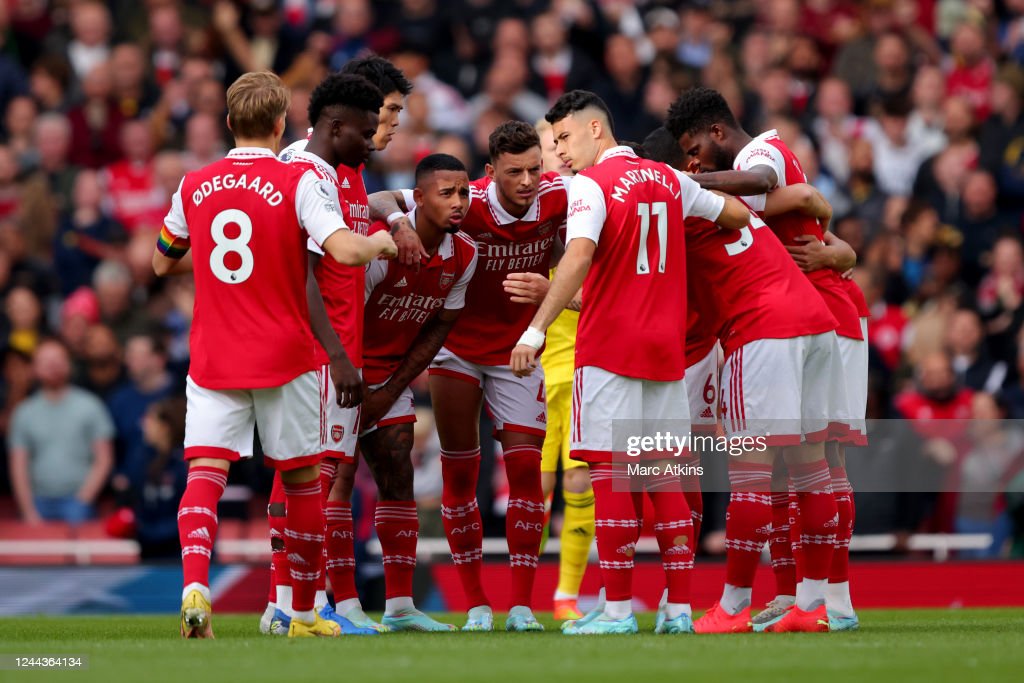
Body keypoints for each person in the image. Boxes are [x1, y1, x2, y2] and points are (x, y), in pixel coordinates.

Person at [152, 70, 396, 639]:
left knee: (206, 472)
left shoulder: (194, 184)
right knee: (304, 479)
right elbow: (343, 249)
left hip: (214, 354)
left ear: (230, 122)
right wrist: (381, 240)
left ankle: (194, 586)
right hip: (285, 355)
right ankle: (305, 613)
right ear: (282, 122)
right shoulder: (297, 180)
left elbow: (162, 261)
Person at [511, 90, 749, 635]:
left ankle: (616, 610)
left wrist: (534, 328)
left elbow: (577, 257)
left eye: (566, 137)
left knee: (612, 476)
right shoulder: (671, 180)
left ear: (597, 130)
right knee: (666, 479)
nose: (561, 151)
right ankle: (680, 610)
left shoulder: (590, 187)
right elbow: (734, 214)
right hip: (666, 354)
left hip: (611, 349)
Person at [667, 86, 864, 632]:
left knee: (752, 475)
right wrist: (833, 235)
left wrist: (677, 184)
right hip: (818, 317)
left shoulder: (745, 167)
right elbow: (800, 205)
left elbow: (767, 187)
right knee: (814, 471)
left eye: (694, 153)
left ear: (717, 135)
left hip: (765, 329)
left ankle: (732, 607)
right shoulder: (738, 200)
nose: (693, 165)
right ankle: (817, 603)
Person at [370, 120, 571, 632]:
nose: (527, 181)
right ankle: (477, 606)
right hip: (454, 349)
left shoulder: (559, 196)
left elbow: (579, 250)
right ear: (491, 172)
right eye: (514, 172)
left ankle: (523, 607)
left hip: (518, 353)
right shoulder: (467, 198)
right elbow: (379, 199)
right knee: (461, 474)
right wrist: (402, 224)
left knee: (527, 474)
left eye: (534, 169)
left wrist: (553, 291)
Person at [263, 56, 414, 637]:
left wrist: (395, 213)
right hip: (316, 349)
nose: (390, 124)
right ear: (344, 116)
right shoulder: (303, 168)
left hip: (339, 345)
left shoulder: (345, 172)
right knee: (305, 474)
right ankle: (288, 603)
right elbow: (300, 269)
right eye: (386, 111)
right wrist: (335, 353)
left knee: (323, 473)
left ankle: (317, 602)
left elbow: (351, 230)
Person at [360, 154, 477, 632]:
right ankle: (309, 603)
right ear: (419, 197)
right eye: (447, 194)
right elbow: (339, 315)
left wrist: (390, 390)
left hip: (392, 375)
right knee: (332, 482)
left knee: (398, 474)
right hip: (339, 369)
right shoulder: (380, 246)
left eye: (465, 193)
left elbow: (437, 330)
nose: (459, 203)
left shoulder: (465, 255)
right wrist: (350, 382)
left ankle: (400, 606)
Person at [528, 118, 593, 622]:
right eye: (551, 146)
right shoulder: (523, 217)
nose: (558, 154)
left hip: (578, 370)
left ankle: (566, 596)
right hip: (528, 374)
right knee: (534, 489)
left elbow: (600, 300)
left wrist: (555, 298)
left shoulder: (589, 211)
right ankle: (521, 598)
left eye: (561, 143)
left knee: (578, 485)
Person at [8, 338, 114, 525]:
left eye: (58, 360)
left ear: (69, 365)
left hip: (79, 501)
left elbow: (104, 458)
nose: (53, 366)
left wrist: (83, 499)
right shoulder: (24, 412)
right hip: (38, 501)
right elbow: (18, 465)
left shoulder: (90, 405)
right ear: (34, 368)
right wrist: (28, 510)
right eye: (46, 362)